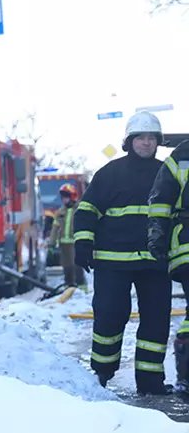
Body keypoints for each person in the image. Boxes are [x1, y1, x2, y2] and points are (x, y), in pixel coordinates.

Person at [73, 111, 172, 395]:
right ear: (129, 141)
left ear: (158, 142)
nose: (146, 142)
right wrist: (83, 244)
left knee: (156, 321)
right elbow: (86, 211)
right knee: (109, 317)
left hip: (155, 263)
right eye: (140, 137)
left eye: (151, 137)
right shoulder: (110, 173)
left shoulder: (167, 173)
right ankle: (102, 373)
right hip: (112, 263)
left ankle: (151, 381)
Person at [147, 137, 189, 398]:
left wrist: (158, 233)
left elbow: (160, 200)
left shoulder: (181, 155)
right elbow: (161, 201)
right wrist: (157, 234)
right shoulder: (182, 154)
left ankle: (186, 376)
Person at [47, 183, 86, 288]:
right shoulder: (60, 212)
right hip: (64, 245)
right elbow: (55, 228)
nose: (64, 200)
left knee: (77, 266)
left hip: (76, 243)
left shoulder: (79, 210)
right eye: (63, 197)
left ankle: (82, 288)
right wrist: (51, 243)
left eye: (66, 197)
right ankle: (68, 287)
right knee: (67, 266)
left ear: (72, 197)